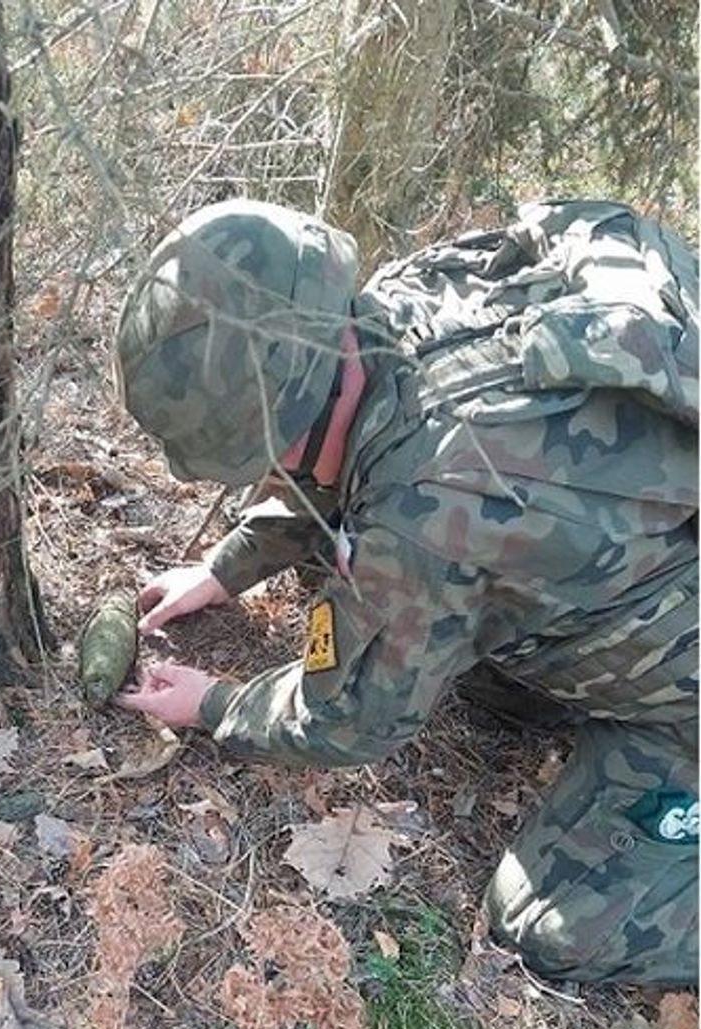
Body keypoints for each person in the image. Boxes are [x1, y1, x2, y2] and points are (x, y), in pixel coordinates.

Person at [111, 197, 698, 986]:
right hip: (654, 567)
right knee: (491, 684)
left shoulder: (432, 507)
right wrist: (228, 566)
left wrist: (215, 705)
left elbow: (349, 717)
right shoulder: (407, 295)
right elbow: (338, 448)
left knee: (549, 928)